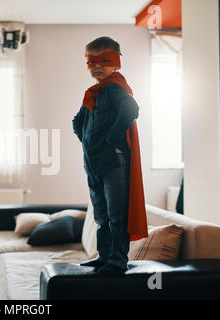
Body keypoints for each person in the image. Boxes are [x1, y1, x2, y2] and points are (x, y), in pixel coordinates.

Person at [72, 36, 148, 274]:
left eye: (103, 60)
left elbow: (131, 109)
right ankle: (104, 256)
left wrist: (111, 140)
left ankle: (117, 261)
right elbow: (77, 122)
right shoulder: (93, 93)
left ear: (116, 63)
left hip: (114, 163)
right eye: (91, 61)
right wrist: (87, 142)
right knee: (101, 216)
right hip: (93, 164)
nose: (96, 66)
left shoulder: (116, 87)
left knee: (116, 215)